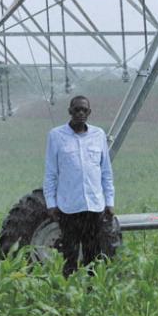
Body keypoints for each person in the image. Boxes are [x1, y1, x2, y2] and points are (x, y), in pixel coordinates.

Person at [44, 95, 115, 276]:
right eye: (77, 109)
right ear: (70, 111)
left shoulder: (98, 135)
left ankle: (91, 296)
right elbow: (51, 173)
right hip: (69, 207)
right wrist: (51, 204)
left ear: (89, 112)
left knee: (94, 256)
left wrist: (109, 201)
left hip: (94, 206)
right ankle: (70, 294)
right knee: (70, 256)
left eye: (84, 110)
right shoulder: (56, 136)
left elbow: (106, 171)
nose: (81, 113)